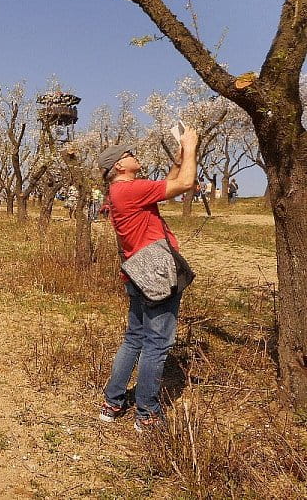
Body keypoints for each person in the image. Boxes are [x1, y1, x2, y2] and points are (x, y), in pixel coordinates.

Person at [97, 126, 198, 433]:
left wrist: (179, 158)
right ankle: (147, 414)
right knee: (157, 343)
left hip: (136, 272)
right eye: (129, 154)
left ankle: (113, 403)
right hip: (155, 274)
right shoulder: (129, 189)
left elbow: (167, 184)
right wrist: (191, 147)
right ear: (119, 166)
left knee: (134, 338)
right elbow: (185, 184)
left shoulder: (122, 192)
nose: (134, 155)